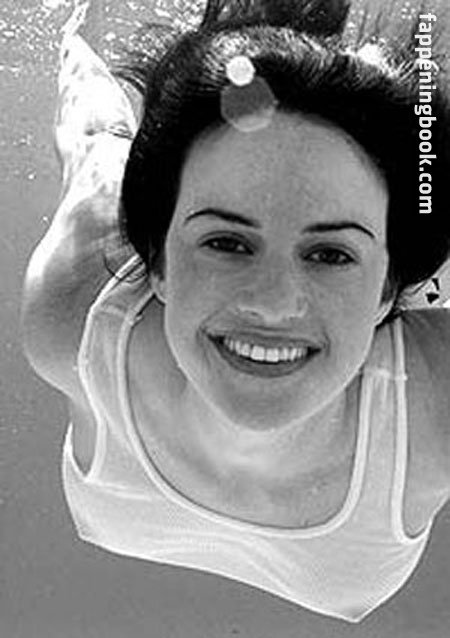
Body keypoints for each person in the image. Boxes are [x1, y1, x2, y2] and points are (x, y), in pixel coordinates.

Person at [20, 0, 450, 624]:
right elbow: (92, 142)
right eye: (226, 243)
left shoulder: (435, 404)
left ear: (388, 291)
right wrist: (73, 51)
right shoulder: (75, 313)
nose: (272, 304)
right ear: (158, 263)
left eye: (330, 254)